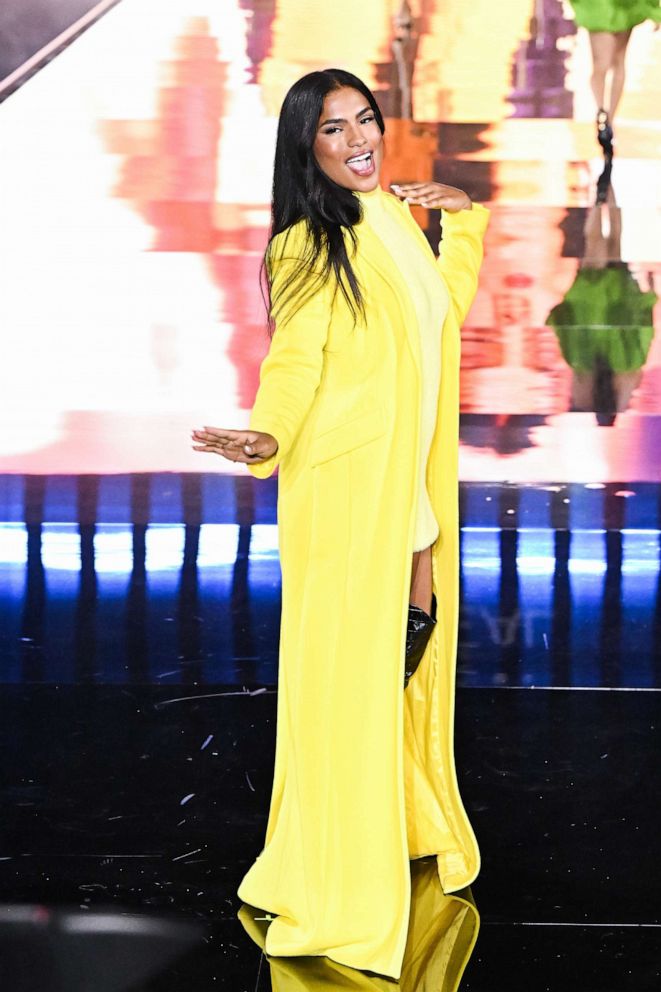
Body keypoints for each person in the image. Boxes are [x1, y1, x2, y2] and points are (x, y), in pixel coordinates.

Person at [191, 68, 489, 980]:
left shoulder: (393, 217)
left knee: (404, 661)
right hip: (352, 486)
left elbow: (442, 316)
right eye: (335, 130)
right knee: (347, 690)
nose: (360, 139)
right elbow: (295, 359)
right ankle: (331, 870)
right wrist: (267, 430)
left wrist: (463, 220)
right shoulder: (305, 246)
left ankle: (381, 824)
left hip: (410, 483)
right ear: (305, 148)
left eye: (366, 120)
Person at [567, 1, 661, 155]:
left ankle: (603, 114)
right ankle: (608, 120)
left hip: (606, 7)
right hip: (622, 7)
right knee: (617, 63)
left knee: (602, 64)